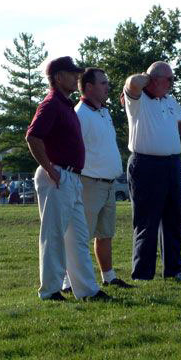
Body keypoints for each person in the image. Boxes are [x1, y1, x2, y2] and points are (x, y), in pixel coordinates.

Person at [25, 56, 110, 301]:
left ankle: (87, 290)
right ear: (59, 77)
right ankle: (50, 291)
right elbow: (32, 137)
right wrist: (49, 168)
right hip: (58, 175)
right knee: (54, 236)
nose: (76, 78)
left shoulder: (65, 105)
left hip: (70, 177)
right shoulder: (51, 104)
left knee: (78, 238)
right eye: (72, 74)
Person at [62, 68, 132, 292]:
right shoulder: (80, 114)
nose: (107, 87)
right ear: (89, 87)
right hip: (89, 183)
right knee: (79, 236)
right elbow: (72, 149)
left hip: (108, 183)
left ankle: (108, 276)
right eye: (103, 83)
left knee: (105, 234)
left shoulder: (103, 112)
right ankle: (68, 281)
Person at [123, 61, 181, 282]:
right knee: (147, 221)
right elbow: (132, 83)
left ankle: (173, 269)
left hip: (172, 164)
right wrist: (147, 76)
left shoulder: (169, 100)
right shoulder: (138, 100)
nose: (172, 83)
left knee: (174, 220)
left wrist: (175, 138)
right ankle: (143, 274)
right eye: (168, 79)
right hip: (146, 164)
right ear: (154, 79)